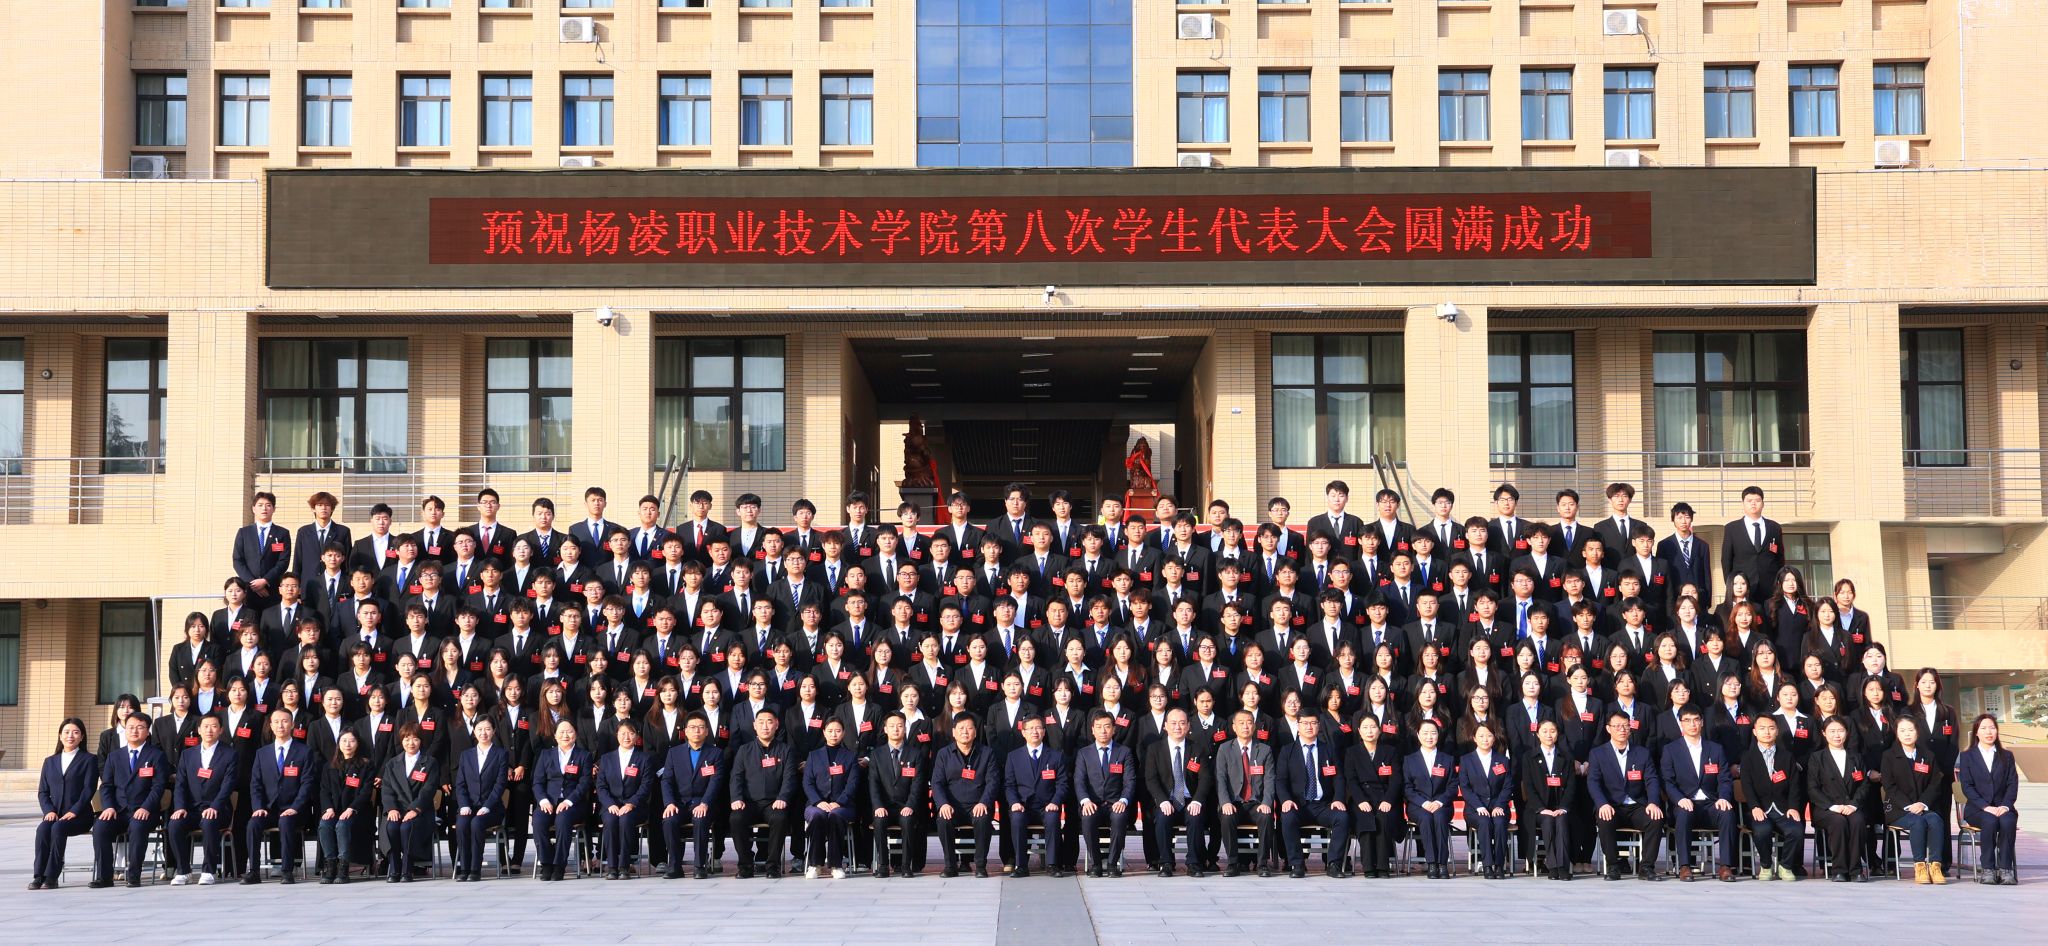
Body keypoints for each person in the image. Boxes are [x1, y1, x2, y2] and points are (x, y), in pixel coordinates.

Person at [1659, 705, 1738, 882]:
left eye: (1696, 720)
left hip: (1711, 803)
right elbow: (1667, 781)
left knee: (1727, 813)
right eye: (1687, 720)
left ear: (1702, 722)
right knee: (1684, 814)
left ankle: (1726, 866)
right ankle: (1685, 866)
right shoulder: (1671, 750)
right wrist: (1679, 799)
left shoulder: (1715, 749)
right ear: (1681, 724)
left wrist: (1723, 798)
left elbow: (1724, 779)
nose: (1692, 724)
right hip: (1685, 803)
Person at [90, 713, 167, 888]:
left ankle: (134, 875)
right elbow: (106, 786)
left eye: (140, 727)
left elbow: (158, 787)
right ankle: (104, 877)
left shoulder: (156, 755)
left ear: (147, 732)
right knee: (100, 827)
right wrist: (108, 807)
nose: (134, 731)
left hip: (145, 811)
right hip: (118, 811)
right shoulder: (114, 756)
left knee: (138, 827)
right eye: (131, 727)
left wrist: (146, 807)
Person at [1587, 709, 1665, 881]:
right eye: (1617, 726)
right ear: (1608, 729)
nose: (1622, 730)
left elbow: (1652, 780)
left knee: (1655, 819)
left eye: (1625, 726)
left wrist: (1653, 802)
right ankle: (1613, 866)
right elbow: (1593, 782)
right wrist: (1602, 803)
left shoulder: (1642, 753)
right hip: (1611, 805)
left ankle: (1646, 867)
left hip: (1636, 805)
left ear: (1630, 728)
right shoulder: (1598, 753)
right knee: (1604, 819)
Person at [243, 708, 315, 884]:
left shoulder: (304, 751)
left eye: (284, 721)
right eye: (276, 722)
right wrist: (258, 807)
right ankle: (253, 871)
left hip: (295, 810)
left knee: (286, 821)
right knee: (253, 824)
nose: (280, 725)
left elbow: (307, 784)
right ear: (270, 725)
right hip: (269, 809)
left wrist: (295, 807)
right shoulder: (262, 753)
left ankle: (287, 870)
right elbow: (255, 784)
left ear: (292, 724)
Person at [726, 708, 798, 879]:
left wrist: (783, 798)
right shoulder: (744, 750)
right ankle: (745, 865)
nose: (765, 726)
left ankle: (772, 866)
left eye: (769, 722)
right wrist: (736, 798)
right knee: (736, 819)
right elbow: (736, 777)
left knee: (780, 819)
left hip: (773, 803)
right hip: (749, 803)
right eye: (761, 722)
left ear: (776, 725)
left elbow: (790, 778)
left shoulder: (785, 750)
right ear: (754, 725)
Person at [166, 715, 237, 886]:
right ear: (198, 730)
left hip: (218, 810)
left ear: (221, 730)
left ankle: (208, 870)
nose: (209, 730)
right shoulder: (187, 754)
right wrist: (180, 807)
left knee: (209, 822)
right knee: (174, 825)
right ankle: (183, 871)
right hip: (192, 809)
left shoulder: (230, 754)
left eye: (214, 726)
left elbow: (228, 785)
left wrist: (215, 806)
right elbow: (180, 785)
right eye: (205, 726)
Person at [1141, 708, 1209, 877]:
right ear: (1165, 726)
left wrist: (1197, 800)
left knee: (1195, 817)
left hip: (1189, 799)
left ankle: (1193, 863)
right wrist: (1162, 800)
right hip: (1166, 799)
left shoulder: (1197, 749)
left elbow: (1205, 779)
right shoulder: (1154, 749)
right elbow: (1151, 779)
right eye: (1173, 723)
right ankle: (1165, 862)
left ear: (1188, 726)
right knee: (1162, 818)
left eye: (1182, 723)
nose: (1177, 727)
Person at [31, 718, 97, 890]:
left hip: (80, 816)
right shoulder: (50, 761)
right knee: (43, 829)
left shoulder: (89, 760)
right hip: (55, 815)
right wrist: (49, 811)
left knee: (58, 828)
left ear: (82, 737)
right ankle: (38, 876)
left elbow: (89, 789)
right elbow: (43, 791)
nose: (70, 736)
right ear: (60, 736)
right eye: (66, 732)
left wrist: (74, 811)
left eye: (75, 732)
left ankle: (51, 876)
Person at [1881, 715, 1949, 885]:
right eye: (1902, 730)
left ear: (1917, 732)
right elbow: (1889, 786)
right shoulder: (1889, 756)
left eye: (1911, 730)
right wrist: (1908, 805)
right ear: (1897, 733)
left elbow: (1935, 783)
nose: (1907, 734)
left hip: (1924, 807)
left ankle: (1935, 866)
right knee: (1916, 822)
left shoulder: (1928, 755)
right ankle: (1919, 866)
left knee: (1935, 820)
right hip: (1899, 809)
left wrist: (1922, 803)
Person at [932, 713, 999, 877]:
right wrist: (943, 804)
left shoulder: (987, 753)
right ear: (953, 732)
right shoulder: (943, 754)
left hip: (977, 805)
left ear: (975, 732)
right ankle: (950, 866)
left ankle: (980, 866)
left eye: (969, 728)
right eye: (961, 728)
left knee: (983, 819)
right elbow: (937, 783)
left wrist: (983, 802)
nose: (965, 732)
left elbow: (993, 782)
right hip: (952, 807)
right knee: (943, 820)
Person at [659, 713, 724, 879]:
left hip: (704, 803)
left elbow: (715, 782)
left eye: (701, 727)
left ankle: (699, 866)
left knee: (700, 820)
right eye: (693, 727)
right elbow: (666, 780)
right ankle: (674, 866)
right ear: (685, 731)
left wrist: (705, 803)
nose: (697, 731)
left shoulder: (715, 753)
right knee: (669, 820)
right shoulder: (674, 753)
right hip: (680, 803)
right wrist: (669, 803)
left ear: (707, 731)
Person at [1003, 715, 1069, 878]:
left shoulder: (1056, 756)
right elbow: (1009, 785)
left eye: (1038, 728)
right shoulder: (1013, 756)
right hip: (1023, 806)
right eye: (1030, 728)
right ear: (1023, 732)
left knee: (1053, 818)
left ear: (1044, 732)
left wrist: (1055, 802)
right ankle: (1021, 865)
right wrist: (1014, 802)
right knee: (1017, 819)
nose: (1035, 732)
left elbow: (1062, 784)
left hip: (1047, 806)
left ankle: (1052, 864)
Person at [1957, 713, 2019, 885]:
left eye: (1992, 728)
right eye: (1983, 728)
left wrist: (2005, 806)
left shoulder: (2007, 756)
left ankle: (2006, 869)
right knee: (1989, 821)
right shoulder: (1967, 756)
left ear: (1997, 731)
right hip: (1978, 809)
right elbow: (1967, 786)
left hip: (2003, 807)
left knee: (2007, 821)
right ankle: (1988, 869)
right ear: (1976, 732)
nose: (1988, 732)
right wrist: (1985, 806)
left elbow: (2012, 784)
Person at [1073, 711, 1136, 877]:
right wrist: (1085, 801)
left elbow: (1130, 781)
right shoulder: (1084, 753)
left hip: (1115, 803)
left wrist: (1123, 800)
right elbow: (1079, 781)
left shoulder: (1124, 752)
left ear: (1114, 729)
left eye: (1107, 726)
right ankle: (1096, 864)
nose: (1103, 731)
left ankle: (1112, 864)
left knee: (1120, 817)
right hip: (1092, 803)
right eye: (1099, 727)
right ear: (1092, 730)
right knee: (1088, 818)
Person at [1807, 716, 1869, 882]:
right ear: (1824, 733)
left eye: (1841, 731)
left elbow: (1864, 785)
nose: (1837, 735)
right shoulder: (1817, 758)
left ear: (1847, 733)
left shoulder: (1856, 757)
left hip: (1851, 806)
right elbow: (1812, 788)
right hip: (1826, 809)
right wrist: (1832, 806)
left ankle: (1856, 870)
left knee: (1858, 821)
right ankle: (1839, 870)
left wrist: (1853, 805)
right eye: (1832, 731)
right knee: (1838, 822)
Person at [530, 718, 593, 882]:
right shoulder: (546, 755)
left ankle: (559, 865)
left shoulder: (584, 755)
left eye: (569, 732)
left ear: (575, 735)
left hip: (573, 804)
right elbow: (537, 782)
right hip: (549, 802)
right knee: (538, 820)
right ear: (555, 735)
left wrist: (568, 801)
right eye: (562, 732)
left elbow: (585, 783)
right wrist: (543, 801)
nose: (566, 735)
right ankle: (546, 863)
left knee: (563, 819)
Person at [868, 711, 929, 878]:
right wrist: (878, 806)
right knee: (879, 821)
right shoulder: (877, 754)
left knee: (908, 821)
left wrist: (910, 805)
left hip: (906, 806)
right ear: (885, 729)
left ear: (905, 729)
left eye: (900, 726)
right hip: (885, 807)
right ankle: (883, 865)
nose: (896, 729)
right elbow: (873, 784)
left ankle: (906, 865)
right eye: (892, 726)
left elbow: (917, 784)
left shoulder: (915, 754)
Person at [380, 723, 439, 883]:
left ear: (421, 741)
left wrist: (415, 809)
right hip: (397, 810)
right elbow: (387, 789)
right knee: (391, 827)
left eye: (415, 739)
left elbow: (428, 790)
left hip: (420, 811)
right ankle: (394, 867)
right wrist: (391, 808)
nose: (411, 743)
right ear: (401, 740)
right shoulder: (392, 763)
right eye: (407, 739)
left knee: (407, 828)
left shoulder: (430, 762)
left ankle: (407, 869)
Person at [801, 718, 859, 879]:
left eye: (838, 731)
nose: (834, 734)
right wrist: (819, 802)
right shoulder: (813, 755)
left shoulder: (850, 756)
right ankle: (815, 864)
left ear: (844, 733)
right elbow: (807, 783)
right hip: (816, 804)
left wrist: (839, 802)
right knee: (817, 816)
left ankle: (836, 864)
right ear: (824, 732)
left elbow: (852, 783)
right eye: (830, 731)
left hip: (843, 805)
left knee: (835, 815)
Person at [452, 716, 508, 882]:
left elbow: (500, 784)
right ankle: (464, 868)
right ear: (474, 731)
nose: (484, 733)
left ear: (493, 731)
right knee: (462, 823)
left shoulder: (501, 754)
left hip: (492, 808)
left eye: (487, 729)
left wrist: (488, 805)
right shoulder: (466, 755)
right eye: (480, 729)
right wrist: (464, 805)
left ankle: (475, 869)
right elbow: (460, 784)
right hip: (469, 806)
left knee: (477, 823)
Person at [317, 730, 375, 884]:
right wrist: (328, 808)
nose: (347, 745)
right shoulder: (329, 766)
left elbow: (366, 792)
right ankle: (330, 865)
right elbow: (324, 791)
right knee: (324, 824)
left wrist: (351, 808)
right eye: (344, 741)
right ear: (338, 743)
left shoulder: (366, 765)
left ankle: (344, 867)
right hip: (335, 811)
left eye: (352, 741)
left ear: (358, 743)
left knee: (342, 825)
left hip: (358, 812)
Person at [596, 718, 652, 878]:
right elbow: (601, 786)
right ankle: (612, 866)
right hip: (611, 805)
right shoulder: (606, 759)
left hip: (635, 806)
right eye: (623, 733)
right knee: (610, 820)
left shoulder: (644, 758)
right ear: (617, 735)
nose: (626, 737)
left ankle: (624, 866)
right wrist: (610, 804)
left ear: (637, 736)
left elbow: (646, 786)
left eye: (631, 733)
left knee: (626, 820)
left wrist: (631, 803)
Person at [1458, 720, 1514, 879]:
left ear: (1494, 738)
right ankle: (1488, 865)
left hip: (1499, 807)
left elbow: (1508, 786)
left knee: (1499, 822)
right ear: (1474, 738)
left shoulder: (1502, 760)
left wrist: (1500, 805)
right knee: (1484, 822)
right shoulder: (1466, 760)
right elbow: (1465, 787)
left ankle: (1499, 865)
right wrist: (1479, 806)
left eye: (1489, 735)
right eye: (1481, 736)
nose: (1485, 739)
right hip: (1475, 809)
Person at [1403, 718, 1457, 878]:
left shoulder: (1447, 759)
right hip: (1418, 805)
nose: (1429, 737)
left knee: (1439, 818)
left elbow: (1453, 786)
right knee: (1426, 818)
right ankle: (1432, 863)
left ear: (1438, 735)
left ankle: (1442, 864)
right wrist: (1424, 803)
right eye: (1425, 733)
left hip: (1442, 805)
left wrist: (1439, 802)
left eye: (1433, 733)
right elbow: (1407, 787)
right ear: (1418, 735)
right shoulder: (1409, 760)